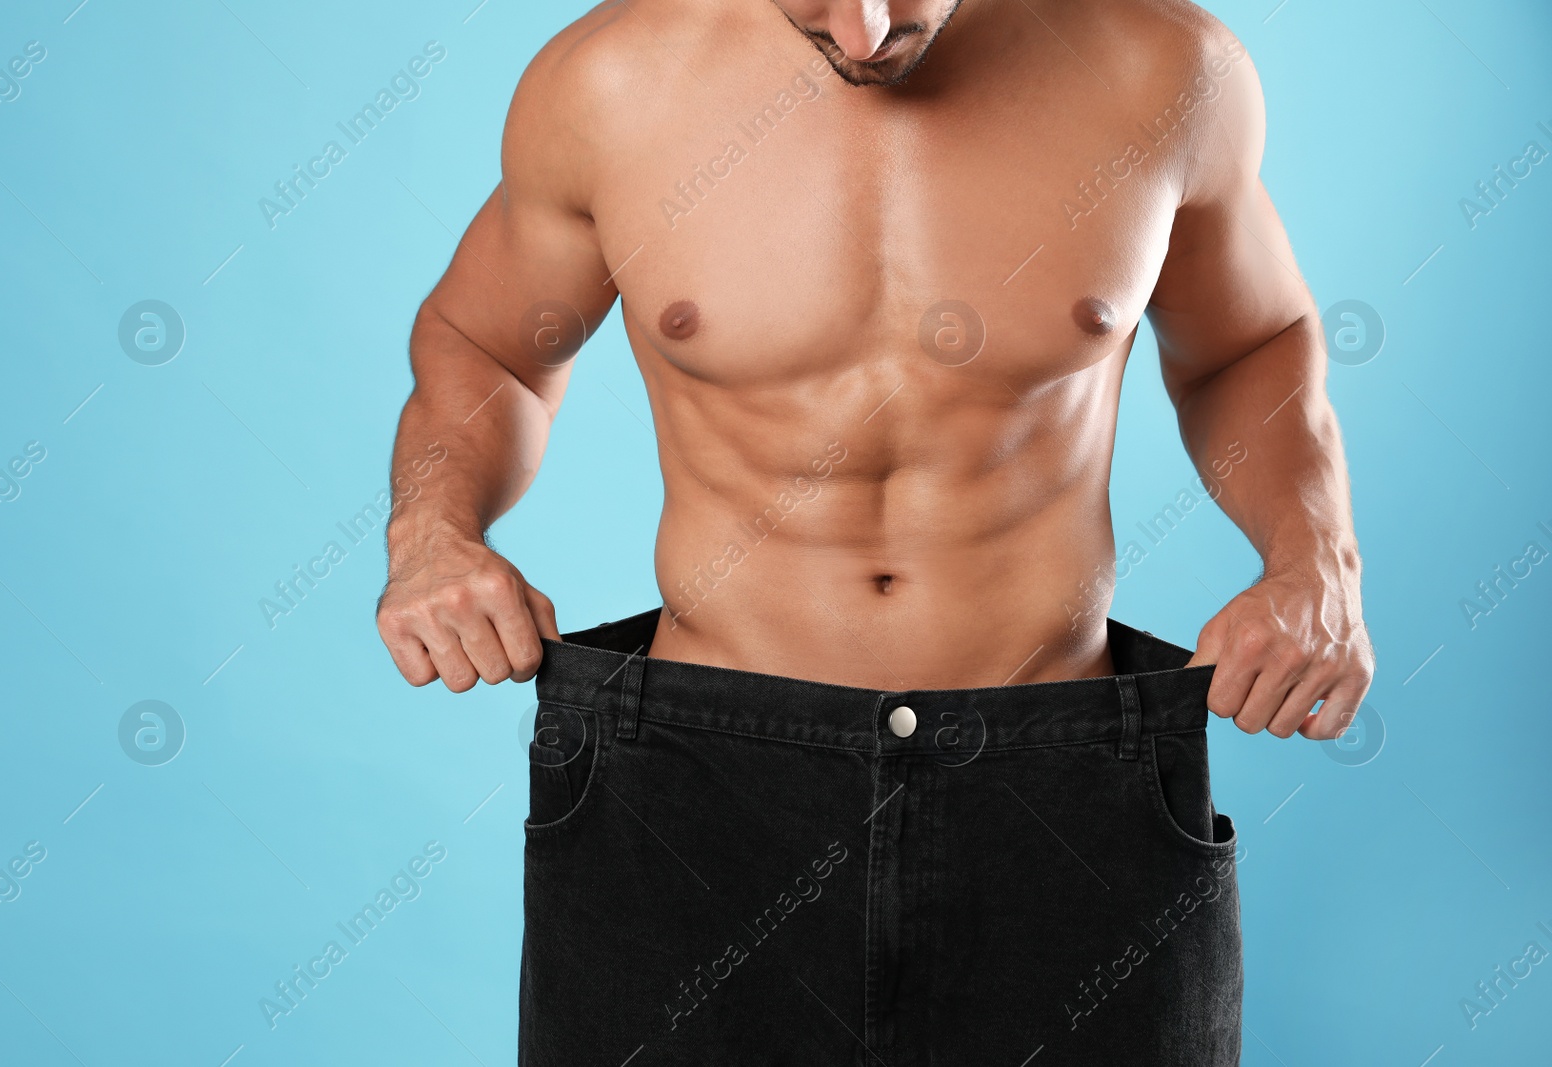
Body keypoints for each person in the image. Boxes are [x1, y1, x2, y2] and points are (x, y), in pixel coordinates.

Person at [376, 0, 1375, 1062]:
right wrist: (432, 534)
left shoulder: (1160, 68)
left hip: (1055, 792)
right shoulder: (610, 84)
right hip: (697, 795)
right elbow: (487, 346)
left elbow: (1247, 342)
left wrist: (1316, 559)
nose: (863, 31)